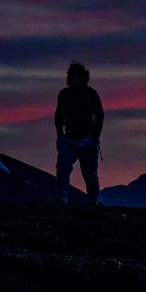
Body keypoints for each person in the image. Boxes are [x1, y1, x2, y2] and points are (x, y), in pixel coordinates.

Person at [54, 61, 104, 205]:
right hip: (69, 138)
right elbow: (59, 115)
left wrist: (95, 137)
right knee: (63, 166)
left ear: (80, 78)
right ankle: (61, 198)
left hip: (87, 139)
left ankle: (93, 203)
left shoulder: (90, 94)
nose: (68, 78)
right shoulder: (64, 94)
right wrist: (60, 134)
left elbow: (99, 115)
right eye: (68, 75)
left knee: (90, 175)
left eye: (71, 75)